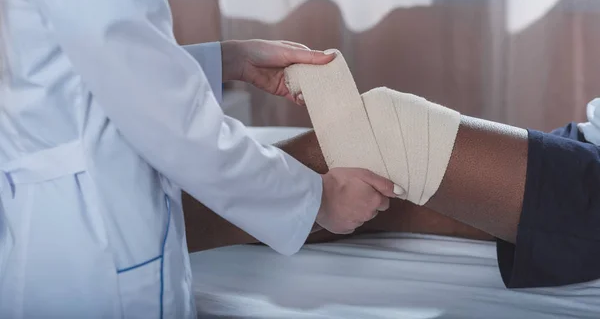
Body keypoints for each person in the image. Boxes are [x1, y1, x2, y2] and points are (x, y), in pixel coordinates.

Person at [0, 0, 396, 317]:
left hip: (48, 233)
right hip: (93, 248)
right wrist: (319, 199)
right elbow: (171, 122)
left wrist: (230, 58)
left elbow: (69, 70)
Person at [184, 101, 600, 290]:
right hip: (587, 141)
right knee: (376, 189)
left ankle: (152, 227)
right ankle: (158, 212)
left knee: (383, 139)